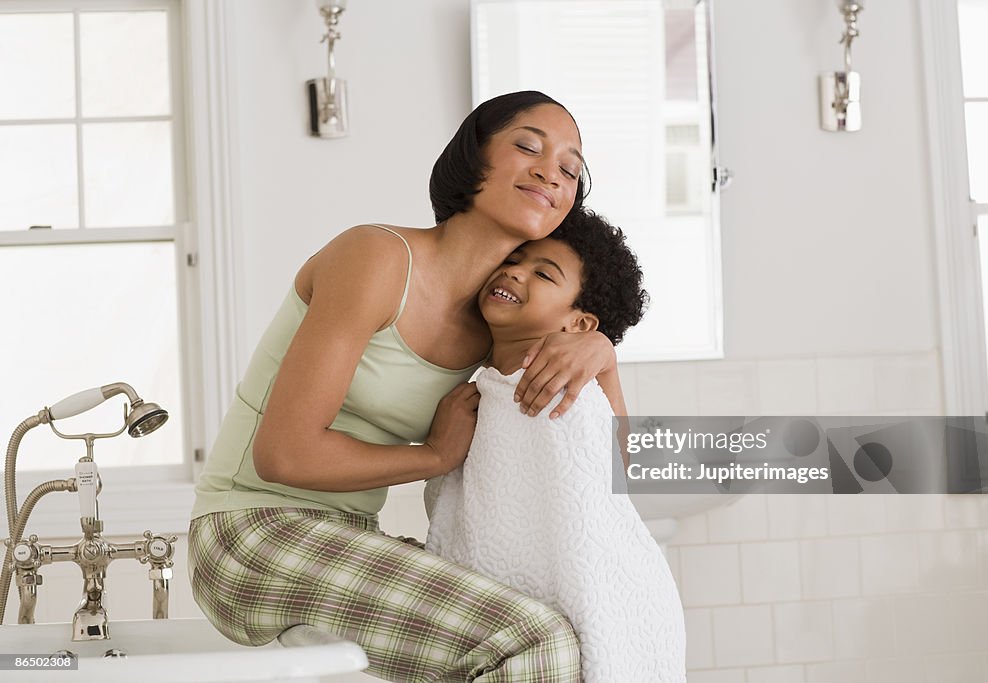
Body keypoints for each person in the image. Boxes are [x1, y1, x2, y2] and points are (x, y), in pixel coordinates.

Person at [188, 91, 625, 683]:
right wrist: (433, 457)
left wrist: (605, 356)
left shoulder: (495, 317)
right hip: (249, 534)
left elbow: (610, 461)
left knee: (568, 623)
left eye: (572, 170)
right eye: (528, 146)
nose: (554, 171)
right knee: (533, 639)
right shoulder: (376, 258)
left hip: (345, 536)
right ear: (474, 159)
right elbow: (283, 453)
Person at [425, 208, 687, 682]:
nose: (514, 271)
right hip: (512, 625)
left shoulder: (565, 391)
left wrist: (604, 361)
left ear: (580, 325)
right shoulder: (479, 391)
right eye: (515, 259)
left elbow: (610, 475)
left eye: (543, 273)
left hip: (582, 612)